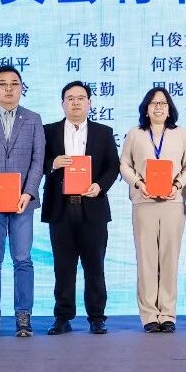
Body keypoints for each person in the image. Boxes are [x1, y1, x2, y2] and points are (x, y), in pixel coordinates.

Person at [0, 66, 45, 338]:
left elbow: (38, 159)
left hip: (23, 201)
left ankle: (23, 316)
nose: (9, 88)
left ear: (22, 88)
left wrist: (29, 192)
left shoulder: (33, 119)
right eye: (3, 84)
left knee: (23, 259)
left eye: (14, 83)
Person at [42, 81, 120, 336]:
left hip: (92, 207)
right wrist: (53, 163)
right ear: (62, 103)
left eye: (80, 98)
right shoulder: (48, 131)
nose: (75, 102)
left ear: (90, 103)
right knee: (63, 267)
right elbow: (36, 161)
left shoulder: (103, 132)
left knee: (94, 266)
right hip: (61, 208)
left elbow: (113, 166)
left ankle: (96, 317)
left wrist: (100, 186)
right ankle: (62, 317)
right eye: (70, 98)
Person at [120, 87, 186, 332]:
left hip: (173, 202)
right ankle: (149, 316)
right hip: (144, 201)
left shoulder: (181, 134)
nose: (158, 107)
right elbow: (124, 165)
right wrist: (139, 183)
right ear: (146, 108)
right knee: (146, 260)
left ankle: (168, 314)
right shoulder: (135, 134)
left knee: (169, 259)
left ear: (169, 108)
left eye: (163, 103)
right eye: (153, 103)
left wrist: (177, 185)